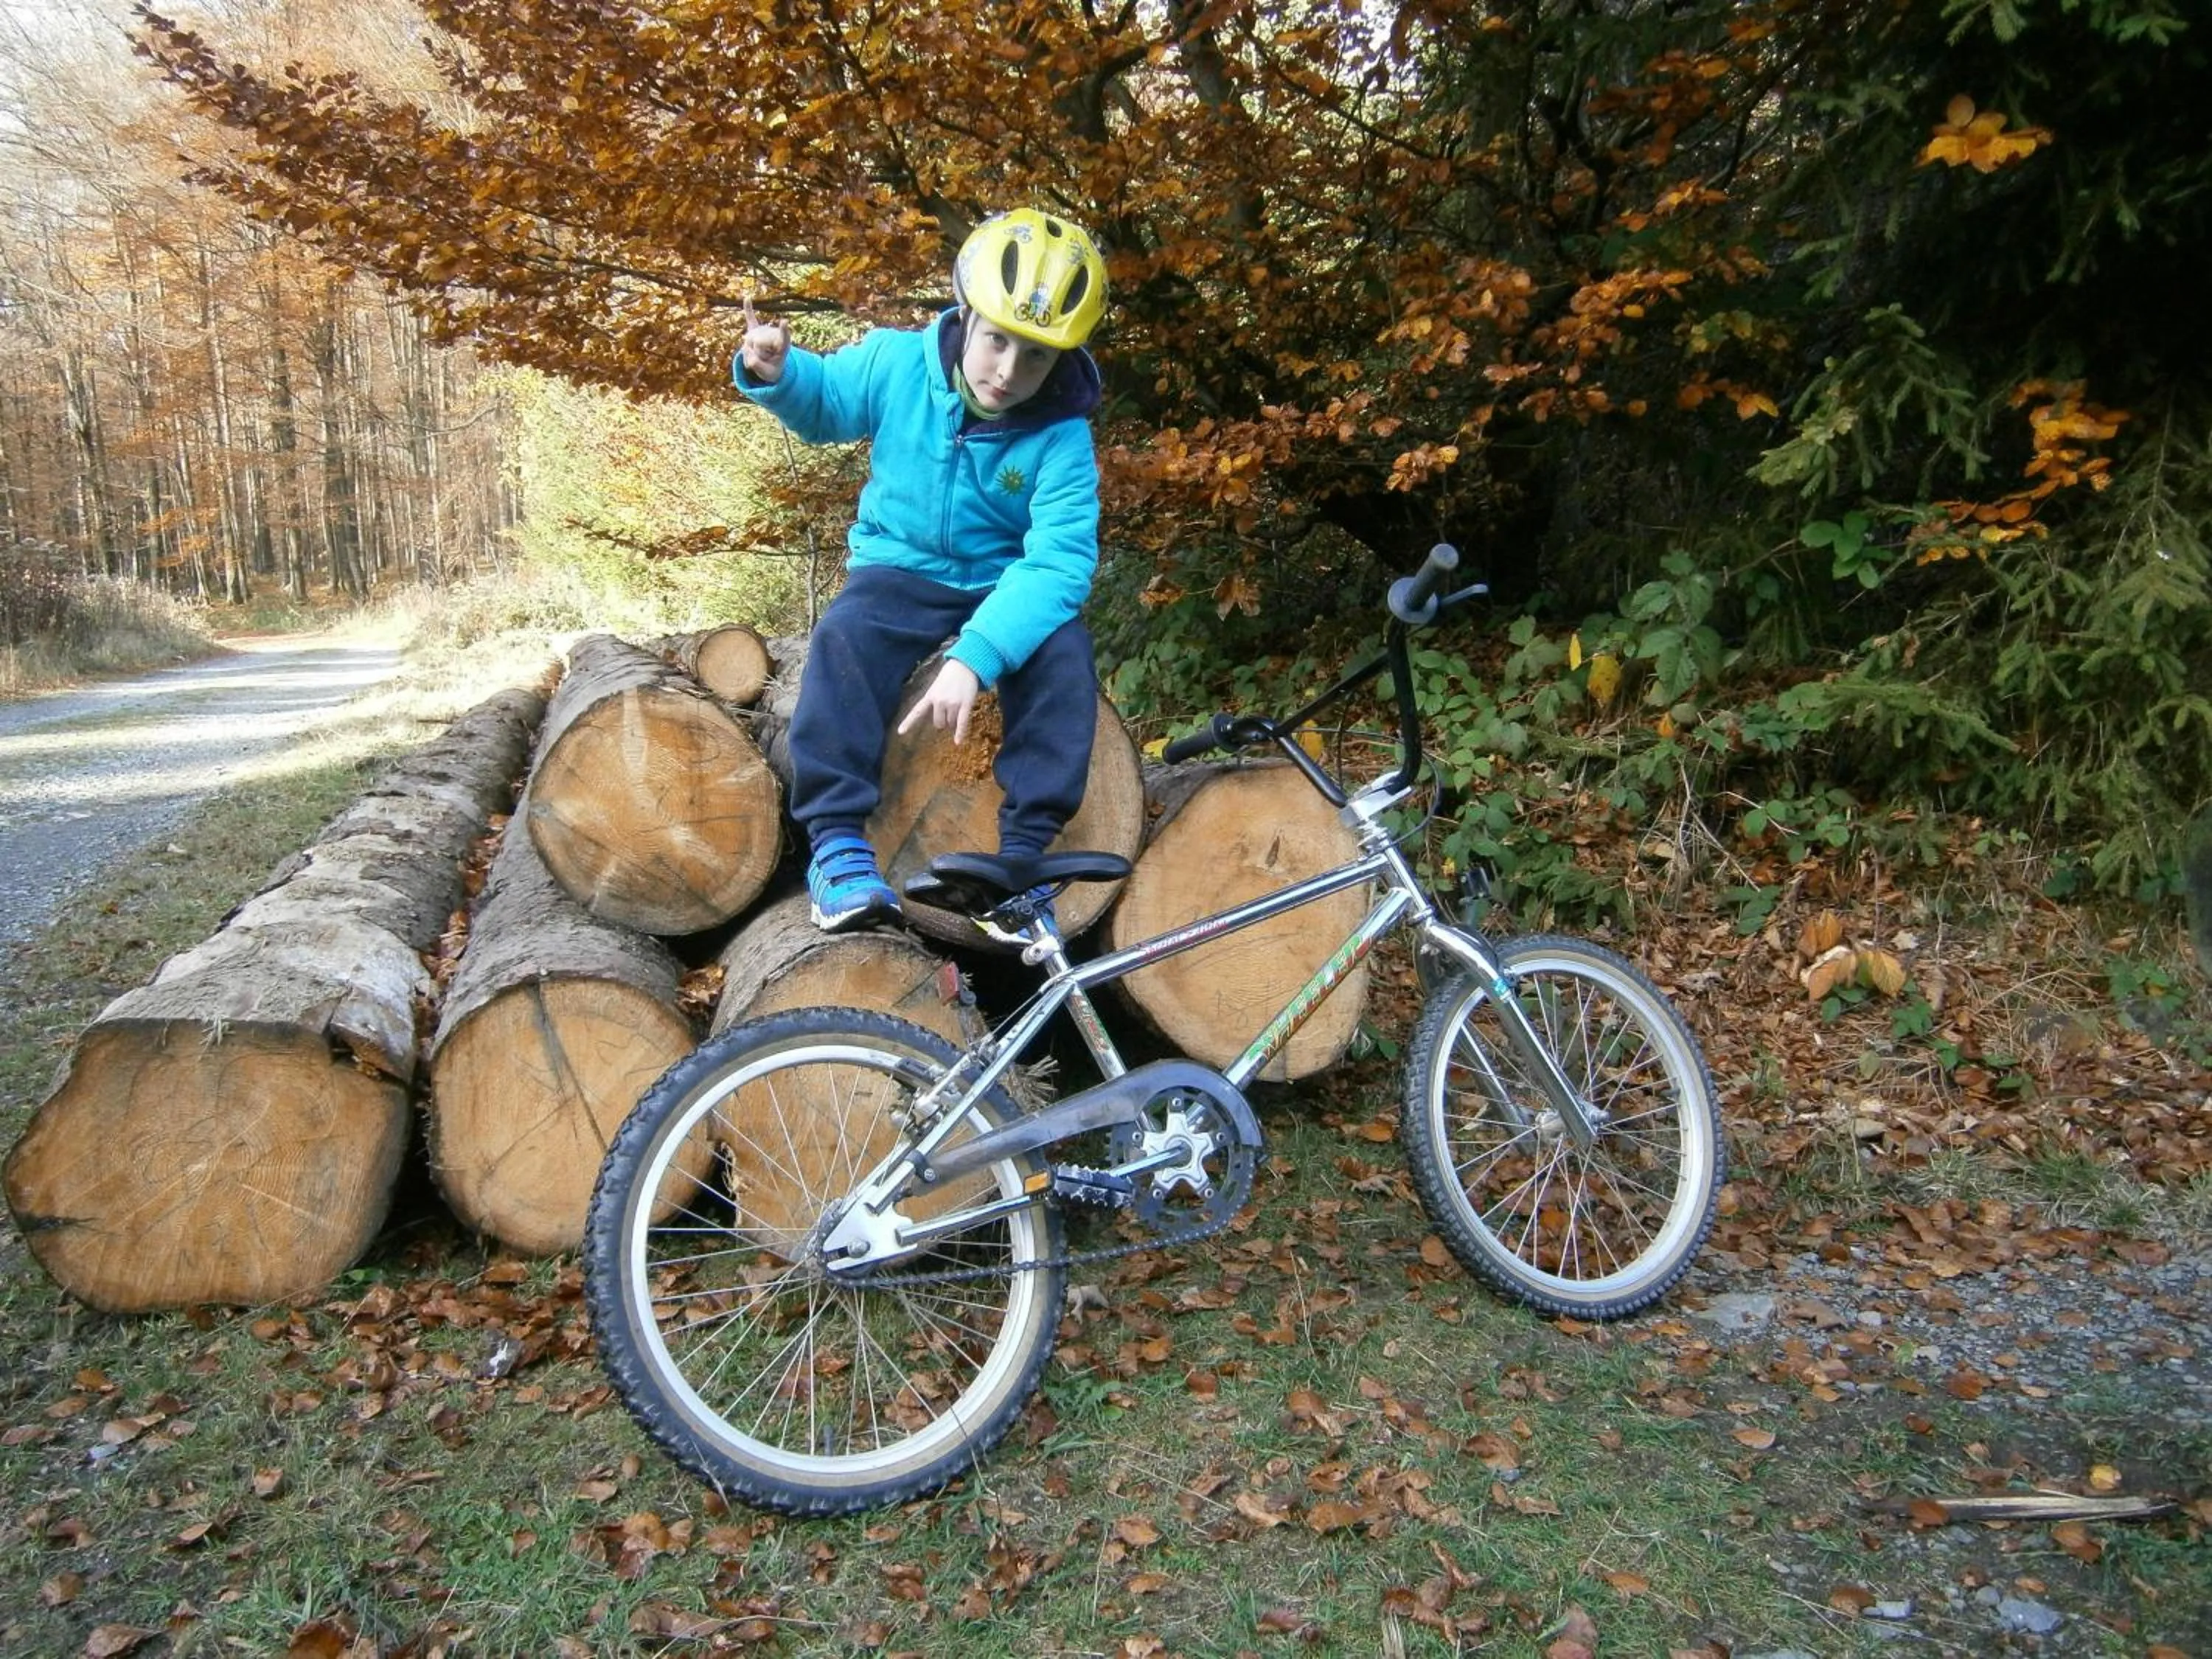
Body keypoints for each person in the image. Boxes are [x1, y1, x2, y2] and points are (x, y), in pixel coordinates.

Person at [733, 208, 1109, 933]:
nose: (1008, 371)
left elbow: (1060, 563)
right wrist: (777, 374)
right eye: (996, 341)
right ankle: (839, 845)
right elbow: (828, 402)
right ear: (966, 316)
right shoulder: (895, 363)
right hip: (898, 570)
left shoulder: (1062, 437)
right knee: (845, 636)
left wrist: (977, 655)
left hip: (1004, 583)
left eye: (1035, 356)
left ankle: (1022, 862)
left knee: (1064, 653)